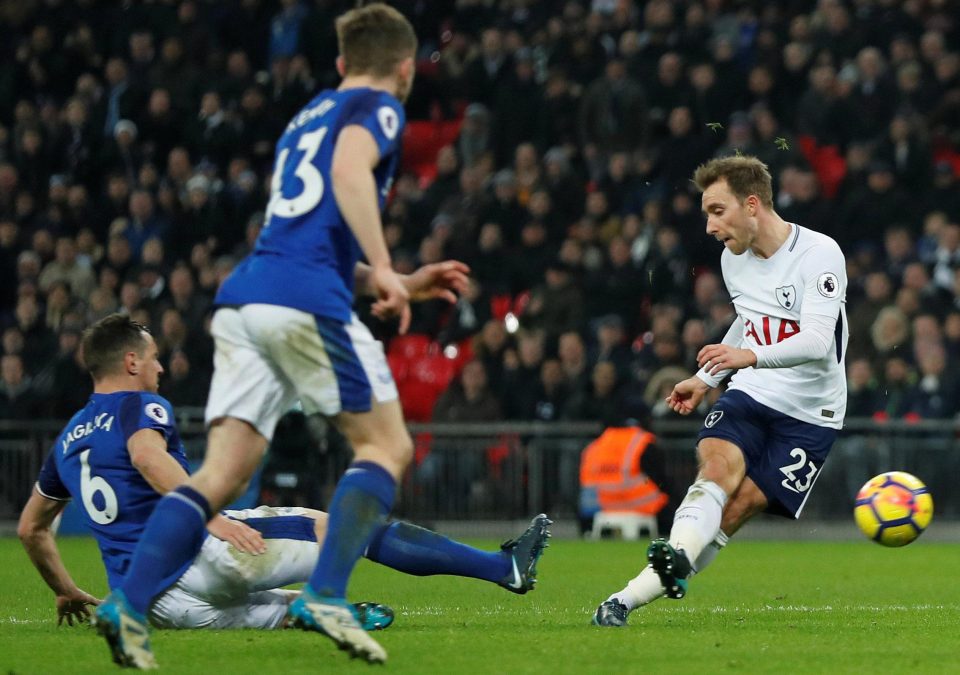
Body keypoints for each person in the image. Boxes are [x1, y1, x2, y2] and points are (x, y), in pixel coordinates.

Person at [94, 5, 550, 667]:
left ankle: (127, 604)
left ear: (338, 63)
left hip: (247, 296)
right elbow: (347, 174)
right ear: (402, 68)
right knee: (386, 445)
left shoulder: (304, 118)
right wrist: (390, 269)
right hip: (306, 302)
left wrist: (394, 279)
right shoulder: (380, 106)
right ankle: (326, 593)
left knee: (219, 473)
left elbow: (309, 232)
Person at [19, 315, 550, 636]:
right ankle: (503, 567)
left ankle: (327, 613)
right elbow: (146, 457)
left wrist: (65, 590)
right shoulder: (140, 405)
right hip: (197, 556)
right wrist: (211, 520)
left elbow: (31, 529)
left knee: (285, 611)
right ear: (131, 362)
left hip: (157, 606)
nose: (161, 368)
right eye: (155, 358)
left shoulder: (69, 438)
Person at [592, 155, 848, 626]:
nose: (709, 227)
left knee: (738, 508)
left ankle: (675, 566)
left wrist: (746, 356)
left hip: (814, 412)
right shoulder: (734, 259)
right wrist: (706, 378)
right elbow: (749, 323)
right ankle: (620, 602)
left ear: (752, 205)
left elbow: (815, 342)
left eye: (716, 210)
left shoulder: (820, 254)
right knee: (715, 468)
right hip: (754, 390)